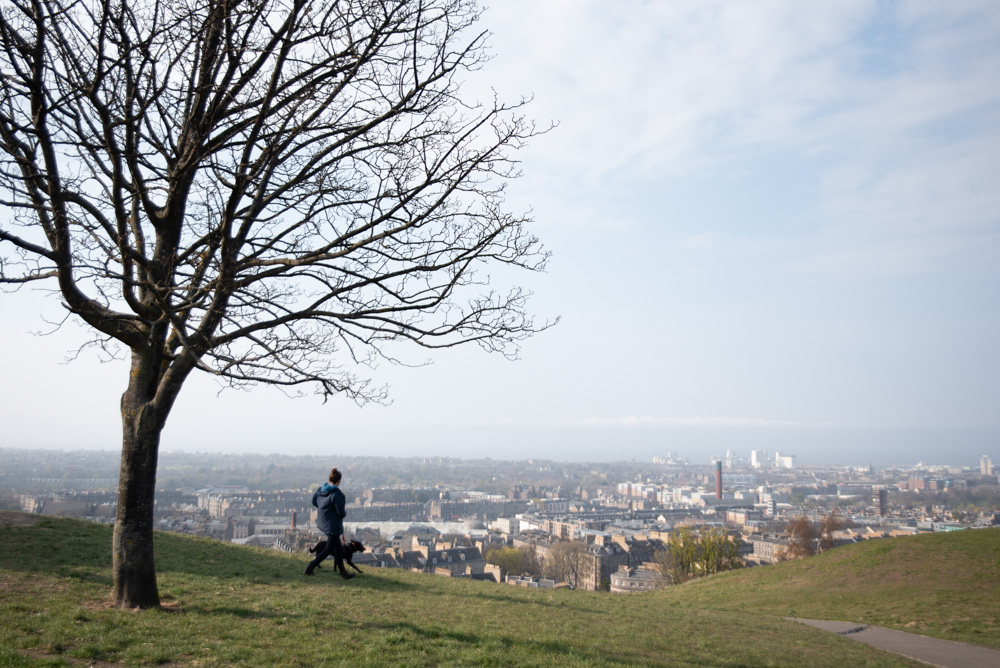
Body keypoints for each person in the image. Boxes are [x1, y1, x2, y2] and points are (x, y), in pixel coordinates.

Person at [304, 467, 353, 579]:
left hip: (323, 522)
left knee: (339, 549)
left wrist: (324, 511)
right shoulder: (336, 494)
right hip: (333, 525)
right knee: (328, 550)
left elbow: (314, 501)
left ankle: (344, 573)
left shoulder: (320, 490)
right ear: (339, 481)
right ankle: (310, 567)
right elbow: (341, 512)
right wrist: (343, 513)